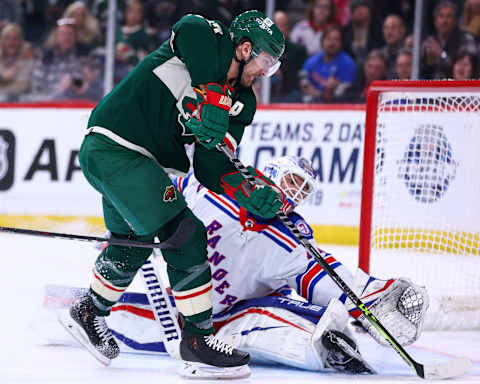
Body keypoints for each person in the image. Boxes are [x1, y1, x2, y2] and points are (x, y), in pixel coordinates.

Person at [58, 9, 286, 380]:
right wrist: (211, 95)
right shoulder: (209, 44)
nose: (266, 71)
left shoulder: (244, 103)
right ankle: (197, 341)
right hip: (116, 147)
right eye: (265, 61)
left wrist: (247, 193)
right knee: (186, 235)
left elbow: (212, 164)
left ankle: (89, 311)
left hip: (135, 164)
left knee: (133, 240)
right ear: (244, 48)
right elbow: (189, 26)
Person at [49, 156, 429, 374]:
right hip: (185, 309)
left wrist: (371, 295)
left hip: (238, 312)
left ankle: (328, 345)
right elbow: (151, 192)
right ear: (270, 174)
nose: (293, 193)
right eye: (292, 181)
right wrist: (132, 225)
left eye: (302, 191)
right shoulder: (213, 191)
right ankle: (66, 304)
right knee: (117, 317)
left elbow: (321, 274)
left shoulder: (290, 238)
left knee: (276, 312)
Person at [300, 25, 356, 102]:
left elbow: (347, 91)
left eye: (336, 40)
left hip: (337, 105)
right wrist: (309, 89)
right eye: (328, 39)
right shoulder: (311, 61)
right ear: (322, 41)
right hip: (312, 103)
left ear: (341, 43)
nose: (332, 43)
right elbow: (303, 82)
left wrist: (337, 86)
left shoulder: (348, 63)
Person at [421, 0, 477, 79]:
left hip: (458, 87)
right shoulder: (431, 41)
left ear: (455, 21)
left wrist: (441, 54)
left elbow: (467, 70)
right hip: (433, 88)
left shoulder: (465, 38)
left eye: (449, 16)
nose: (444, 21)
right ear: (435, 21)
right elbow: (422, 71)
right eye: (441, 16)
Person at [0, 23, 35, 101]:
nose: (11, 42)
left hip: (22, 103)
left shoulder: (28, 58)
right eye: (7, 38)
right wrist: (3, 78)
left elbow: (22, 85)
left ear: (20, 41)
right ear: (2, 40)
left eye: (15, 38)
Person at [380, 15, 407, 79]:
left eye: (393, 27)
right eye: (386, 28)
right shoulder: (381, 54)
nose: (389, 32)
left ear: (402, 30)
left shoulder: (410, 53)